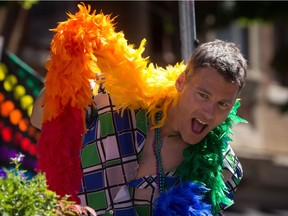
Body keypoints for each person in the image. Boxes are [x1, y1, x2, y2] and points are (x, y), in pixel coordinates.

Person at [31, 3, 247, 216]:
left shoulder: (223, 170)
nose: (209, 112)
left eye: (222, 104)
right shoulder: (114, 98)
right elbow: (39, 119)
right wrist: (67, 87)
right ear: (181, 81)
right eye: (203, 95)